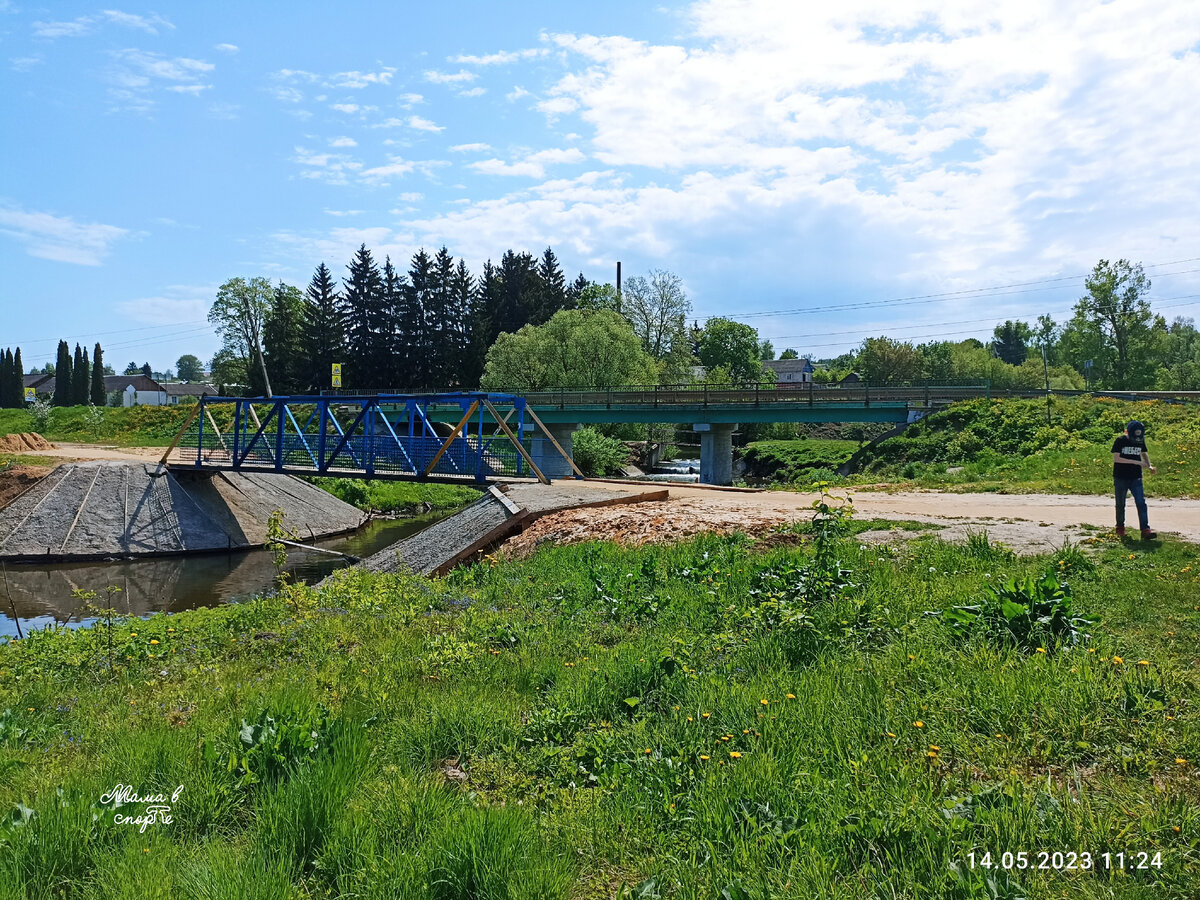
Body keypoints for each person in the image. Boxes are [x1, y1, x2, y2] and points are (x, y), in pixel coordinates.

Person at [1112, 419, 1156, 539]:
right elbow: (1117, 458)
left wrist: (1149, 465)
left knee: (1141, 502)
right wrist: (1135, 462)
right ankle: (1120, 527)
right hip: (1121, 477)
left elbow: (1144, 453)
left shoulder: (1140, 440)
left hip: (1136, 477)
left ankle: (1145, 529)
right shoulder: (1120, 440)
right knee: (1120, 503)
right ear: (1127, 432)